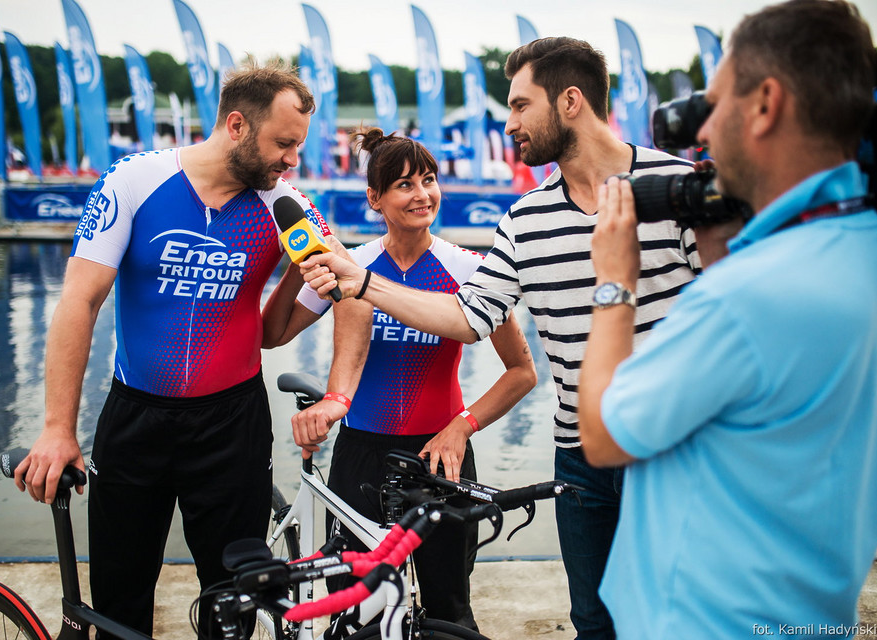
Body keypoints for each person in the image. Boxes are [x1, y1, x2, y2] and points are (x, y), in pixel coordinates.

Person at [299, 38, 702, 639]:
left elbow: (736, 318)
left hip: (677, 451)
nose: (508, 124)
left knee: (684, 617)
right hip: (581, 456)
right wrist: (364, 283)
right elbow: (469, 318)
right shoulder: (522, 220)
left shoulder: (681, 187)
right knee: (593, 622)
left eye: (519, 106)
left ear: (569, 101)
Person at [578, 1, 877, 638]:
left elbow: (605, 435)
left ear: (766, 104)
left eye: (713, 104)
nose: (704, 132)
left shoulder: (751, 295)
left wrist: (614, 282)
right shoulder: (860, 247)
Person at [12, 60, 336, 638]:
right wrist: (58, 428)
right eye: (284, 144)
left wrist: (306, 279)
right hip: (136, 416)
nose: (293, 160)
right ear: (236, 125)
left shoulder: (284, 204)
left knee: (235, 599)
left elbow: (276, 330)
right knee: (119, 593)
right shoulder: (134, 180)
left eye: (298, 147)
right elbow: (79, 303)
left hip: (232, 423)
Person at [263, 127, 537, 629]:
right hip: (360, 455)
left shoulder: (469, 270)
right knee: (354, 609)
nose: (422, 194)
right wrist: (299, 259)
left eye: (428, 180)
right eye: (404, 185)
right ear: (375, 198)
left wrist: (462, 426)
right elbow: (273, 334)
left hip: (440, 457)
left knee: (448, 609)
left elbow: (523, 372)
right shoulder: (353, 265)